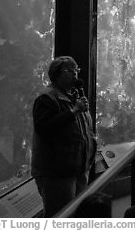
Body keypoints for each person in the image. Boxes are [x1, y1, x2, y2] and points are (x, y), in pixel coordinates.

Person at [31, 56, 97, 217]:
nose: (75, 74)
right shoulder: (47, 98)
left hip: (79, 168)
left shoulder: (75, 96)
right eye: (70, 70)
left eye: (76, 70)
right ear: (56, 74)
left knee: (77, 215)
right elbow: (43, 127)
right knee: (61, 216)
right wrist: (73, 111)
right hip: (57, 173)